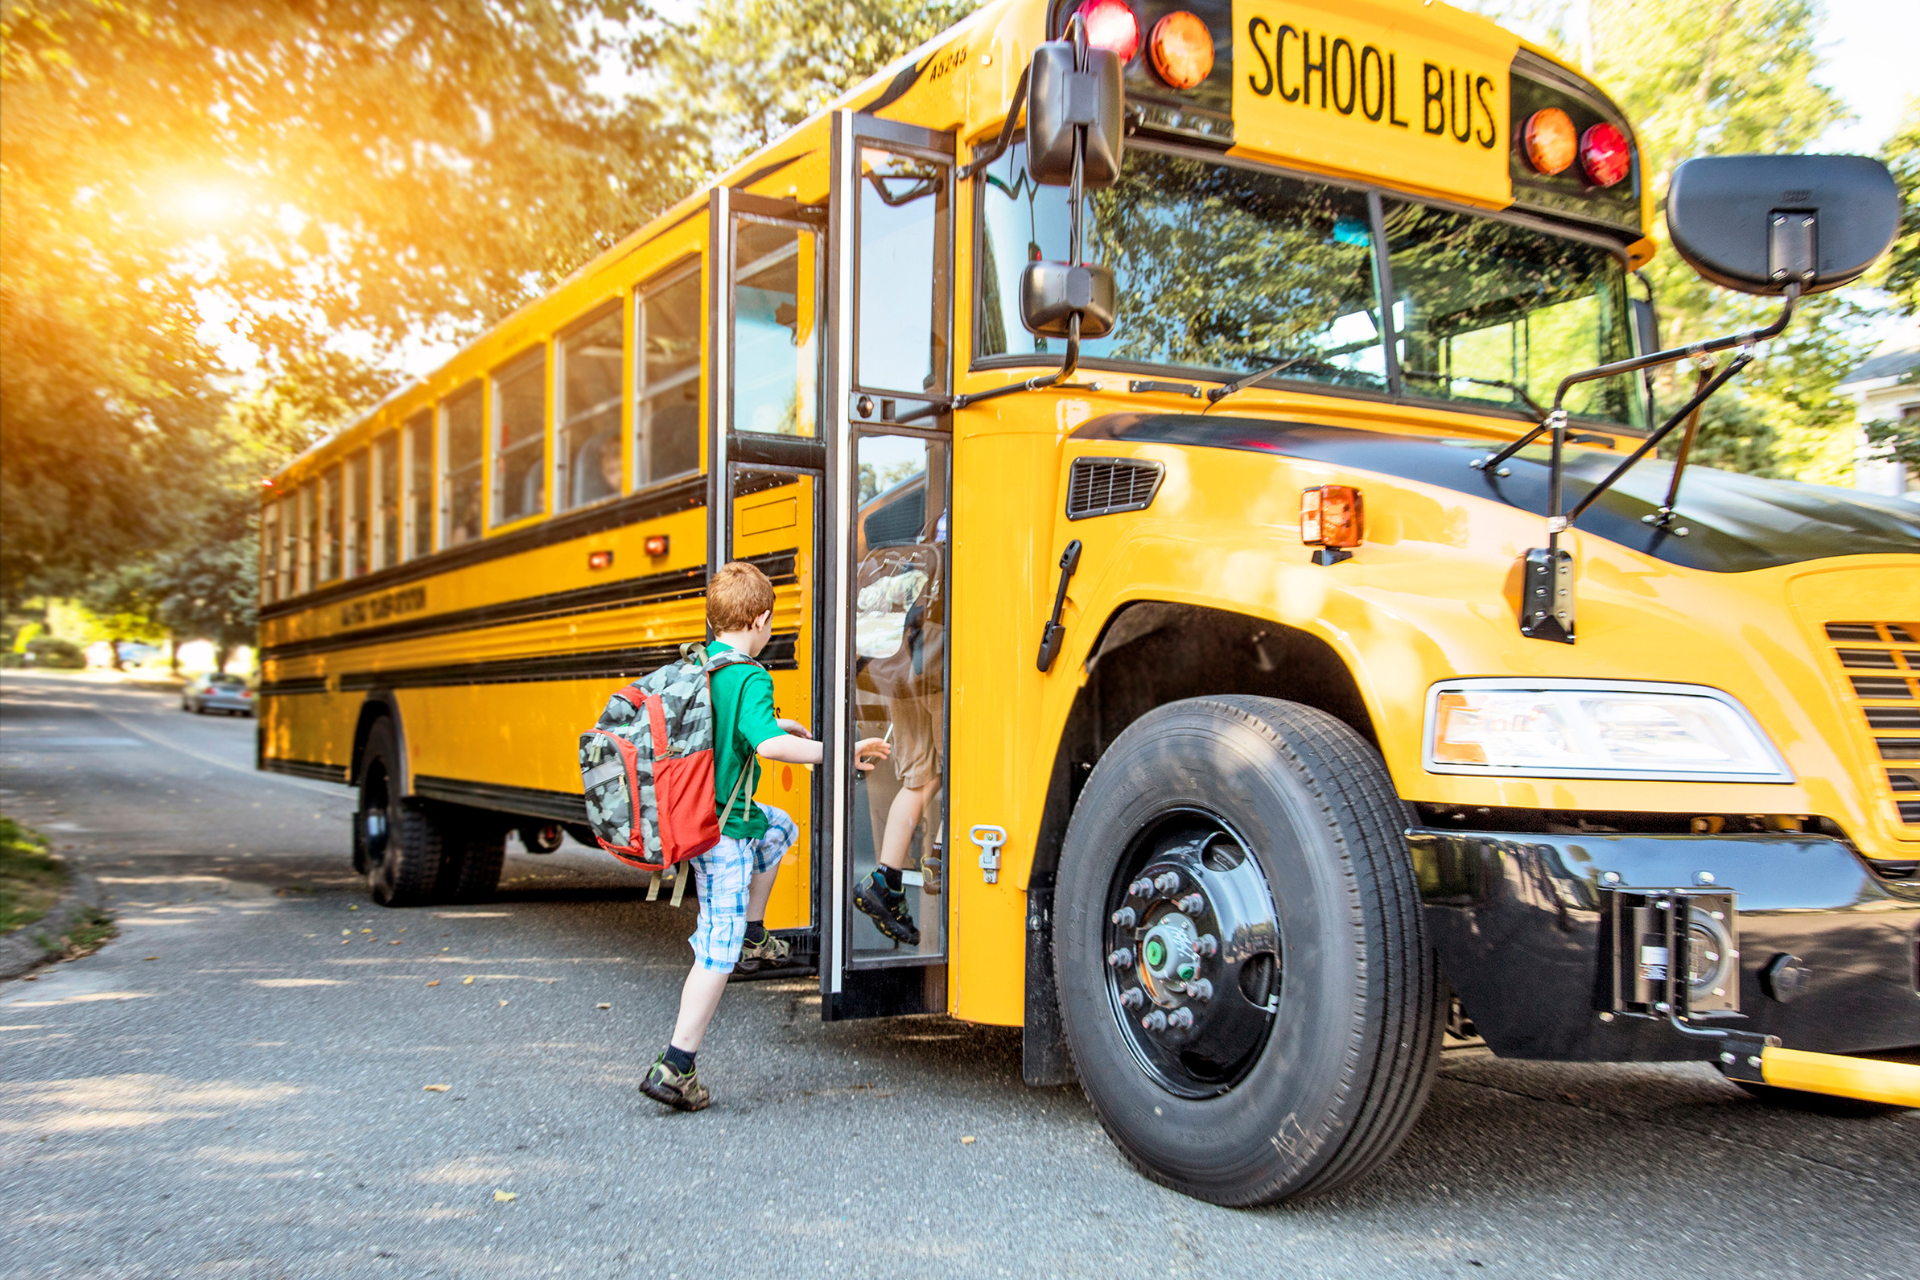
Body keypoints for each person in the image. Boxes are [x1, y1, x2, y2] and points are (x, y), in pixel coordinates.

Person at [640, 560, 889, 1112]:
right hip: (721, 837)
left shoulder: (704, 664)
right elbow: (768, 747)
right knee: (715, 952)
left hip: (713, 819)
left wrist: (782, 726)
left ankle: (755, 931)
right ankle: (675, 1065)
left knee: (779, 828)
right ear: (761, 619)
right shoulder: (751, 673)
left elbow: (746, 730)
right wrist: (837, 752)